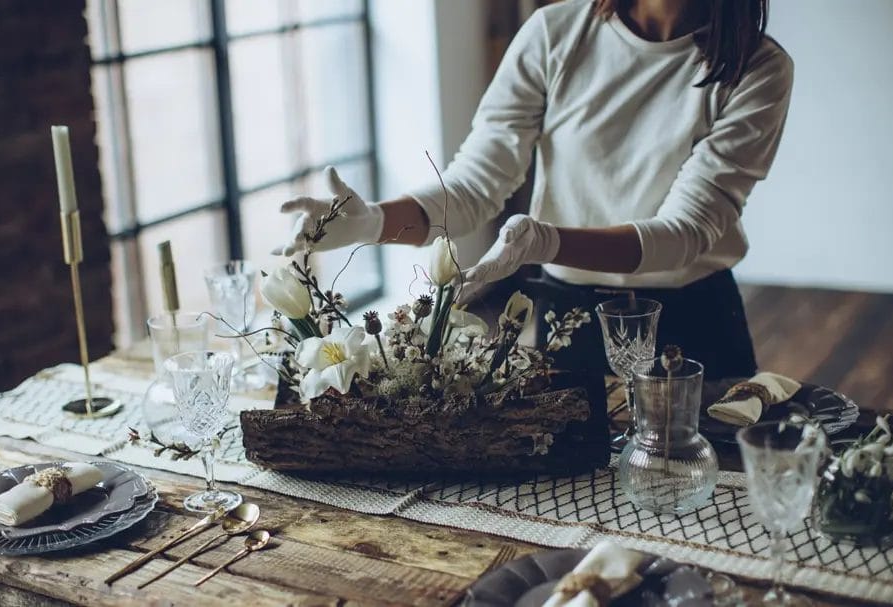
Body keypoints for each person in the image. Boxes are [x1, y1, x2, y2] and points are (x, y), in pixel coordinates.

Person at [273, 0, 792, 386]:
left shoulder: (758, 68)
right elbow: (475, 184)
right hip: (570, 323)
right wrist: (372, 223)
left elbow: (685, 233)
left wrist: (546, 242)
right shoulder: (555, 33)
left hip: (692, 324)